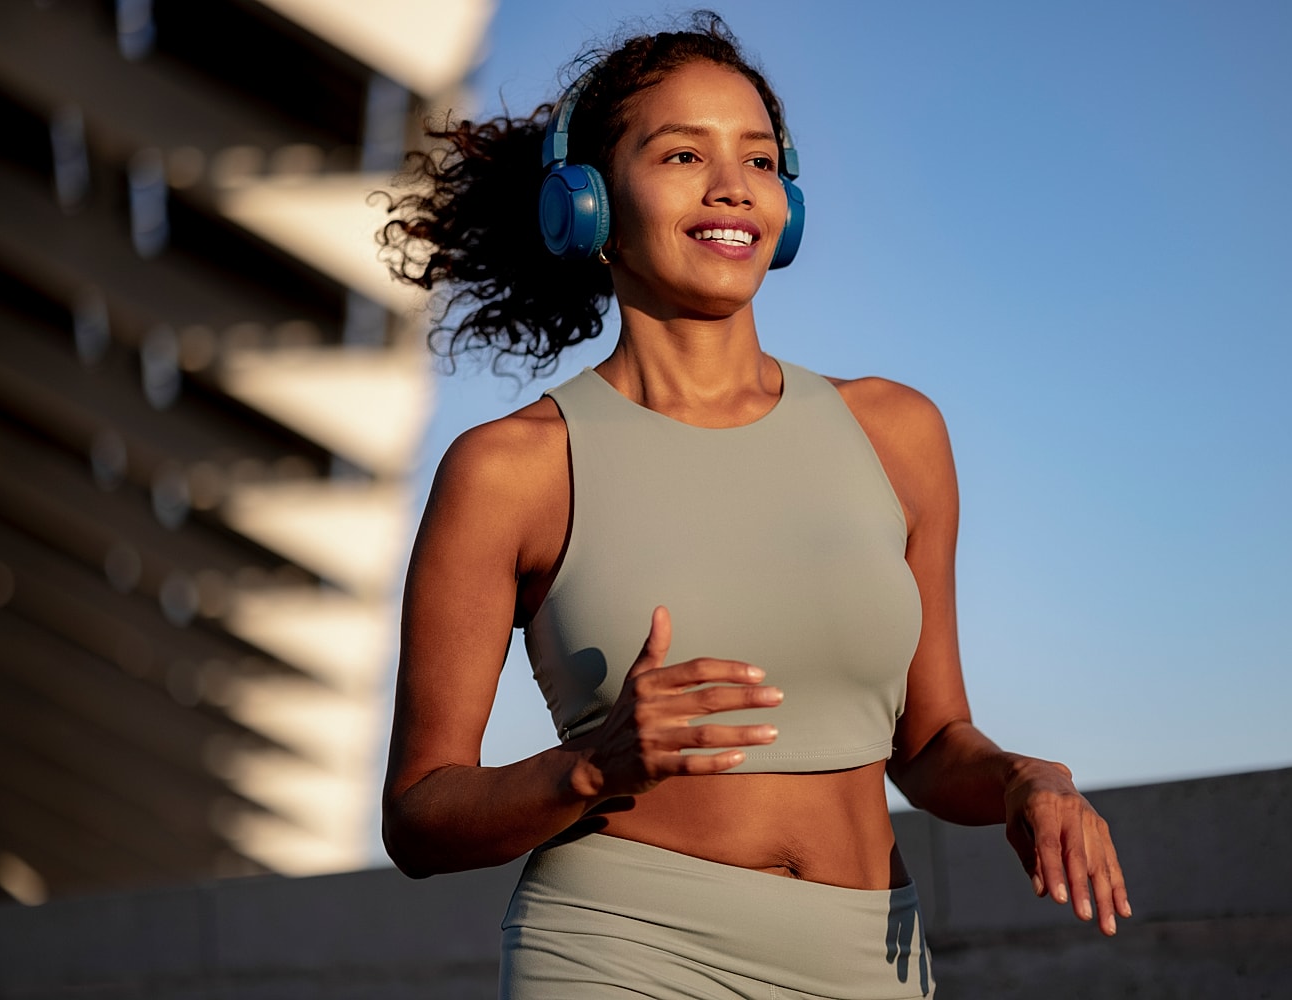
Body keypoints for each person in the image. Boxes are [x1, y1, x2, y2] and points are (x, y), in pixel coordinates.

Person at [378, 11, 1130, 998]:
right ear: (588, 202)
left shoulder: (896, 432)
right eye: (683, 153)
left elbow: (934, 744)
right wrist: (591, 768)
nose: (732, 184)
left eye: (761, 159)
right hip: (620, 953)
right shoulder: (512, 468)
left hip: (874, 957)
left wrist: (1028, 779)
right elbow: (421, 816)